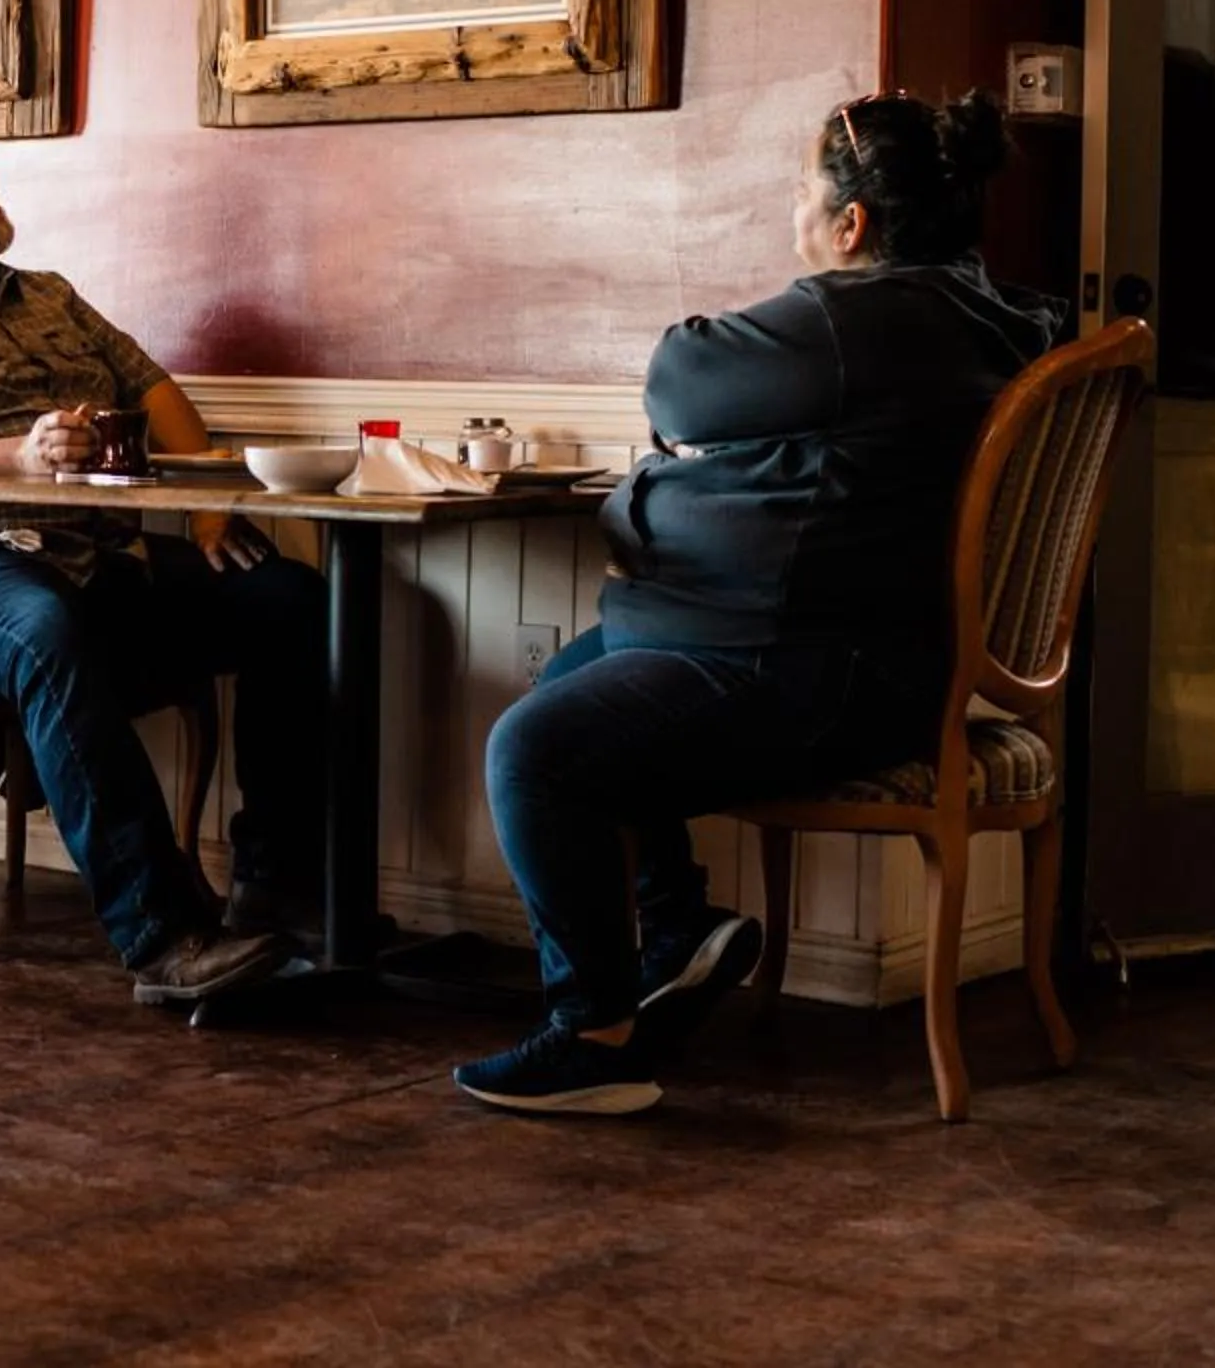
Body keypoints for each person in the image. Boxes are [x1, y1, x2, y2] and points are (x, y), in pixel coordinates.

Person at [454, 91, 1065, 1116]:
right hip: (879, 659)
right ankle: (678, 929)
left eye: (801, 194)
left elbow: (679, 379)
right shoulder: (985, 314)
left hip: (811, 675)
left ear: (851, 223)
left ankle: (595, 1033)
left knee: (534, 750)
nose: (795, 214)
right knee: (583, 680)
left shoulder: (853, 321)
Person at [0, 125, 326, 1007]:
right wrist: (17, 457)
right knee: (46, 630)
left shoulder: (50, 295)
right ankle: (163, 937)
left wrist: (208, 510)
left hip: (96, 550)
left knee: (285, 596)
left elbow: (152, 388)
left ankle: (277, 883)